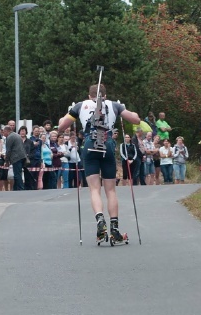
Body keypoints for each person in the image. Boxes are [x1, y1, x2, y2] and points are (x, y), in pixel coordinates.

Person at [58, 83, 141, 243]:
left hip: (90, 144)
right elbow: (135, 120)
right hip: (107, 143)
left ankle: (100, 220)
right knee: (110, 190)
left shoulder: (80, 106)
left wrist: (66, 115)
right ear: (105, 95)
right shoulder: (114, 105)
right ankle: (114, 228)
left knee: (94, 189)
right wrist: (130, 112)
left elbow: (62, 126)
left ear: (90, 96)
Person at [3, 124, 26, 190]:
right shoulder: (17, 135)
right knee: (18, 173)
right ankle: (15, 188)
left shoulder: (10, 137)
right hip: (22, 156)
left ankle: (20, 188)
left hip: (16, 157)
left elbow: (8, 150)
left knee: (17, 174)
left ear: (6, 131)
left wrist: (6, 161)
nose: (3, 134)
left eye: (4, 132)